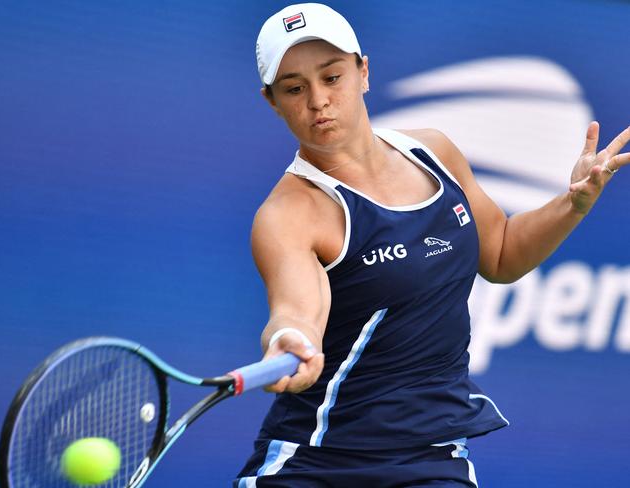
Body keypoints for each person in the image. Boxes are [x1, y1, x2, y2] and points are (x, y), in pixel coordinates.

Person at [235, 3, 630, 487]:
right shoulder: (287, 215)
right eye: (295, 89)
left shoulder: (434, 153)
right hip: (314, 461)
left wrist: (573, 205)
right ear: (272, 101)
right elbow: (296, 311)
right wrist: (288, 341)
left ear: (363, 72)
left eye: (332, 77)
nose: (318, 100)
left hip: (431, 458)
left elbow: (502, 254)